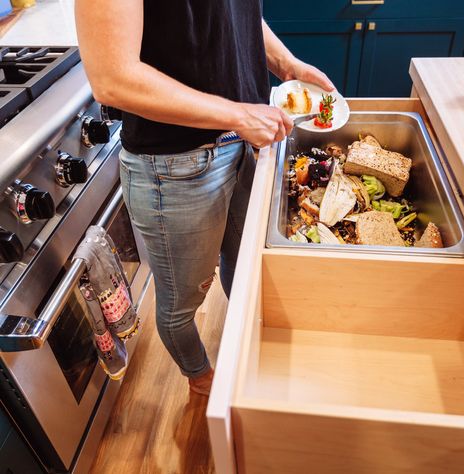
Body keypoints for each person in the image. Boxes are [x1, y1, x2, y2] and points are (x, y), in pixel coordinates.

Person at [75, 0, 335, 395]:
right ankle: (199, 376)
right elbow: (113, 78)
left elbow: (231, 15)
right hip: (175, 168)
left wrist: (286, 64)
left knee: (244, 263)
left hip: (240, 143)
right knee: (182, 303)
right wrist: (239, 115)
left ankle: (240, 340)